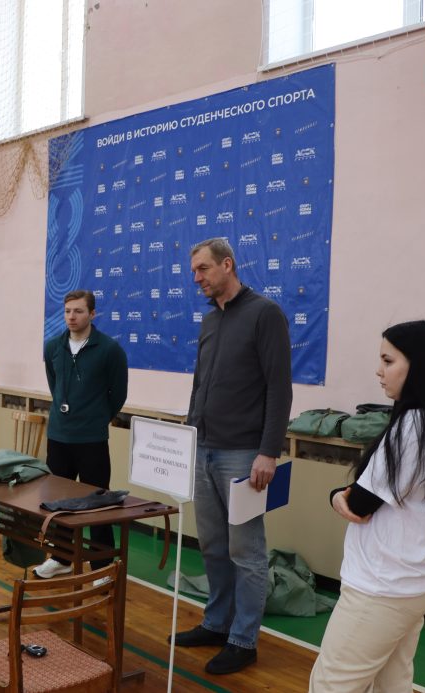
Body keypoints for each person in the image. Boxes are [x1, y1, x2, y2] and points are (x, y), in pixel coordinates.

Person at [310, 320, 425, 692]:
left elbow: (360, 503)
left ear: (419, 366)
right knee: (392, 682)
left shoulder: (413, 425)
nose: (379, 371)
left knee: (331, 684)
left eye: (388, 361)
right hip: (414, 584)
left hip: (382, 589)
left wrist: (337, 495)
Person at [172, 238, 292, 675]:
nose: (196, 278)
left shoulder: (265, 314)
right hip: (203, 449)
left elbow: (279, 387)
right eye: (193, 271)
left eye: (203, 269)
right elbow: (199, 385)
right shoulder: (209, 320)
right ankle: (216, 623)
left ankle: (243, 641)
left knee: (247, 551)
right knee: (213, 546)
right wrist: (191, 436)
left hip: (244, 456)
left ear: (228, 264)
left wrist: (268, 452)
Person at [33, 290, 128, 579]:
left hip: (92, 439)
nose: (71, 317)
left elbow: (118, 394)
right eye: (67, 311)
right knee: (58, 501)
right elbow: (55, 384)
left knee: (98, 503)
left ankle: (102, 566)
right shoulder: (53, 347)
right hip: (59, 437)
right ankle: (61, 558)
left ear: (92, 314)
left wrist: (96, 418)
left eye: (78, 311)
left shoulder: (110, 349)